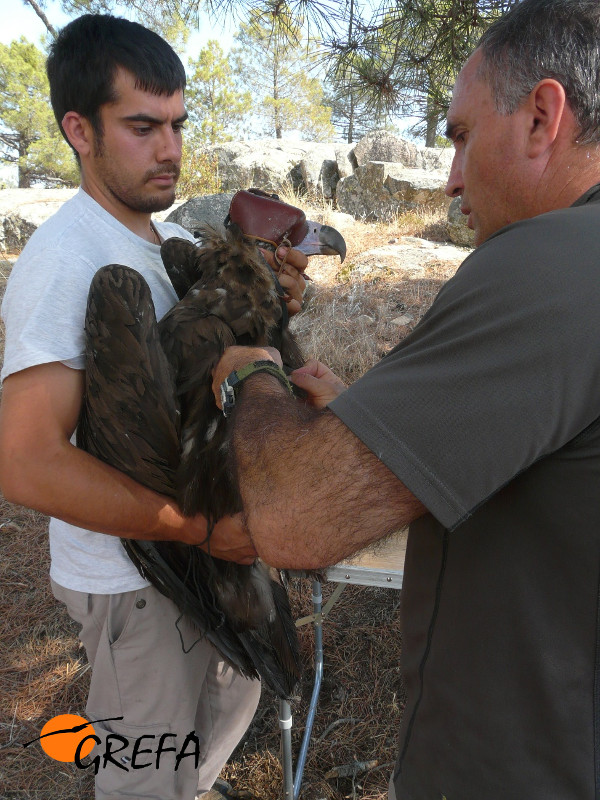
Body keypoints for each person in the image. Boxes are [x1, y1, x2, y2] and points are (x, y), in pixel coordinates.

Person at [211, 0, 600, 797]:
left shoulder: (553, 262)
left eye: (459, 136)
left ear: (542, 117)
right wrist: (383, 426)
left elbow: (294, 515)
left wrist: (247, 371)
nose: (452, 179)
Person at [0, 14, 305, 800]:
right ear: (80, 130)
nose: (169, 148)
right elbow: (25, 460)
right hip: (134, 578)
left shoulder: (160, 240)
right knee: (145, 773)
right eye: (141, 127)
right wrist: (198, 529)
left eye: (176, 124)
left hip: (197, 556)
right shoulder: (68, 260)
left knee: (221, 713)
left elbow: (185, 384)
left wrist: (263, 308)